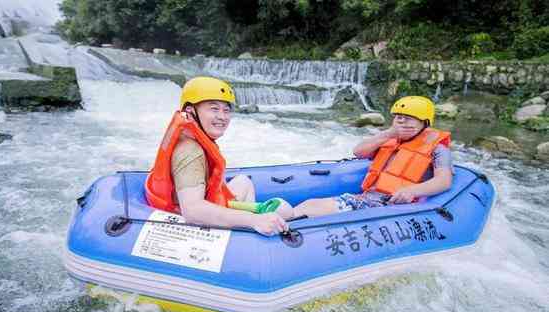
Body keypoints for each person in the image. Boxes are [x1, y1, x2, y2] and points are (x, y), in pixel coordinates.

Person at [145, 76, 290, 235]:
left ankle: (249, 235)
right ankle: (253, 233)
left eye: (226, 110)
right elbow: (193, 210)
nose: (222, 117)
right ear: (190, 111)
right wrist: (253, 220)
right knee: (284, 209)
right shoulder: (189, 151)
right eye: (214, 109)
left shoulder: (193, 137)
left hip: (204, 202)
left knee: (243, 181)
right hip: (186, 219)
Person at [293, 96, 453, 217]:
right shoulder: (389, 139)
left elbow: (443, 181)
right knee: (309, 205)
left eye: (408, 119)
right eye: (398, 118)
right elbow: (359, 151)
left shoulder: (438, 149)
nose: (401, 123)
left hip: (392, 205)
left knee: (312, 206)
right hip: (368, 198)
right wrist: (390, 133)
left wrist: (412, 191)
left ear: (424, 123)